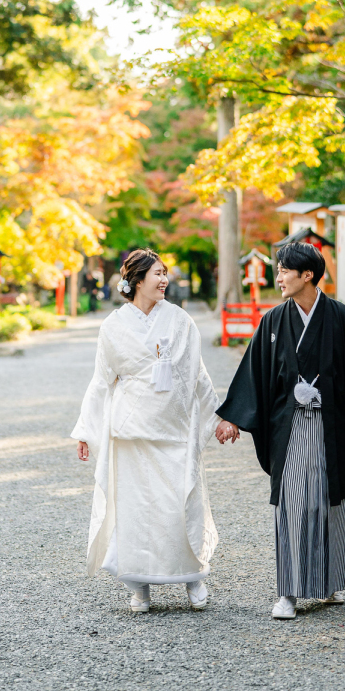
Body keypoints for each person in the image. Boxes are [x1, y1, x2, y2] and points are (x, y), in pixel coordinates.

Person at [215, 241, 345, 619]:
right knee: (292, 504)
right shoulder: (273, 321)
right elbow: (253, 373)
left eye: (284, 271)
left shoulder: (341, 318)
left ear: (307, 275)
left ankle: (330, 582)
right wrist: (232, 417)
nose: (278, 277)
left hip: (332, 426)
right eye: (278, 270)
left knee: (332, 503)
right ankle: (289, 592)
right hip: (290, 426)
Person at [72, 248, 220, 614]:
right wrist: (85, 429)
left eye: (165, 272)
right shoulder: (113, 326)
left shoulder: (180, 320)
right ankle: (139, 586)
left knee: (178, 507)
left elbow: (198, 374)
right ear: (137, 280)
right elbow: (101, 380)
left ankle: (192, 578)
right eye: (158, 273)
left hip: (174, 429)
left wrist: (221, 417)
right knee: (135, 512)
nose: (165, 279)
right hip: (130, 432)